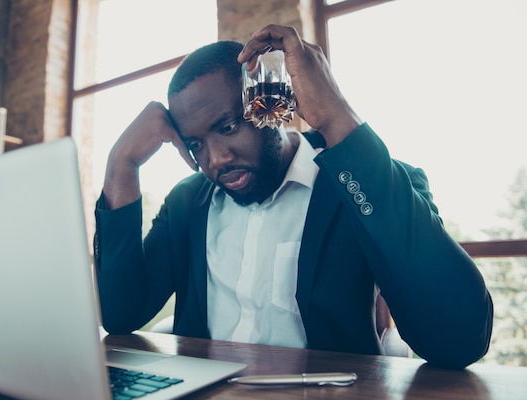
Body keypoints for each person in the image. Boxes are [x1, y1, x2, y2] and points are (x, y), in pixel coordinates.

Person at [93, 24, 493, 369]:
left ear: (270, 103)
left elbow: (458, 341)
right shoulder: (187, 201)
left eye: (229, 126)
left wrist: (336, 117)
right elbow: (122, 313)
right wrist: (121, 164)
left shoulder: (366, 181)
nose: (215, 160)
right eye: (195, 144)